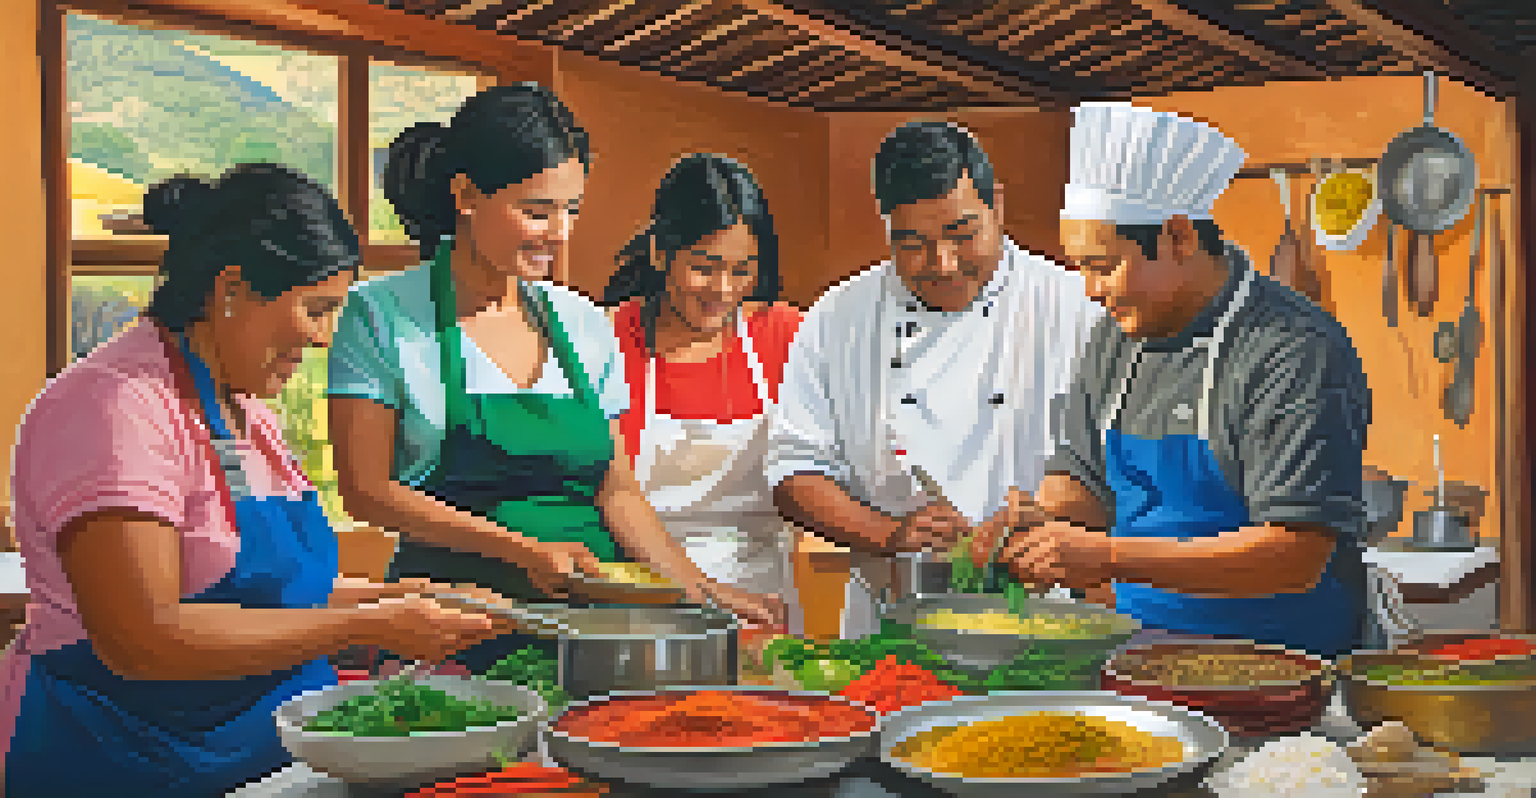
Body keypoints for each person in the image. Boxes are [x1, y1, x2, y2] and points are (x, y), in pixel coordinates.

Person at [0, 163, 502, 796]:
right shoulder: (114, 407)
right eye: (316, 311)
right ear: (231, 289)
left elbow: (266, 597)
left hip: (267, 761)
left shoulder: (247, 410)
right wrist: (369, 625)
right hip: (133, 761)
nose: (322, 340)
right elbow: (142, 638)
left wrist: (398, 600)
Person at [328, 84, 779, 675]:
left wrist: (700, 589)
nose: (560, 233)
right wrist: (523, 551)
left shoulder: (581, 323)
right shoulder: (380, 314)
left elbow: (616, 492)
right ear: (465, 194)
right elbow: (367, 492)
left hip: (594, 628)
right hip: (453, 621)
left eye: (571, 210)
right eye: (537, 211)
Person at [993, 102, 1370, 657]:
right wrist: (1038, 526)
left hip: (1283, 666)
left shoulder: (1294, 349)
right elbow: (1081, 482)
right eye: (1080, 269)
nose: (1091, 289)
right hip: (1138, 653)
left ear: (1179, 237)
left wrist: (1104, 556)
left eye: (1103, 266)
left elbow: (1296, 554)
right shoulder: (1114, 336)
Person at [766, 121, 1105, 638]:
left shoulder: (1076, 307)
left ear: (998, 208)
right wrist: (889, 532)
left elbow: (1127, 470)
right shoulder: (839, 316)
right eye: (912, 244)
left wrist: (1047, 518)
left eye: (962, 234)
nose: (941, 264)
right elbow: (793, 471)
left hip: (1044, 623)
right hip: (887, 622)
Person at [603, 154, 798, 632]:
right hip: (643, 598)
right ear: (660, 253)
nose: (725, 290)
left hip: (762, 601)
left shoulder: (785, 334)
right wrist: (698, 589)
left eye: (742, 270)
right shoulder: (607, 339)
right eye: (705, 268)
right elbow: (613, 491)